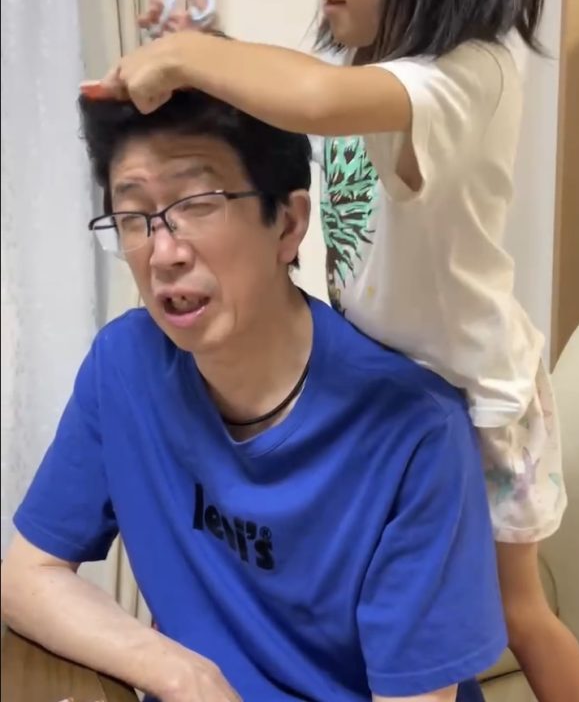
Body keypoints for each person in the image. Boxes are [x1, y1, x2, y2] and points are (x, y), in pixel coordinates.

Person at [95, 0, 579, 700]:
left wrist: (193, 58)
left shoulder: (471, 76)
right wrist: (203, 50)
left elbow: (315, 99)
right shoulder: (370, 69)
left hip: (479, 400)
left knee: (517, 610)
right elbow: (290, 92)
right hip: (387, 395)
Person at [1, 89, 505, 701]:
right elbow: (27, 576)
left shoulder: (416, 432)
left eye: (197, 205)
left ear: (288, 224)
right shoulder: (124, 367)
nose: (163, 253)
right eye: (134, 218)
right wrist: (178, 671)